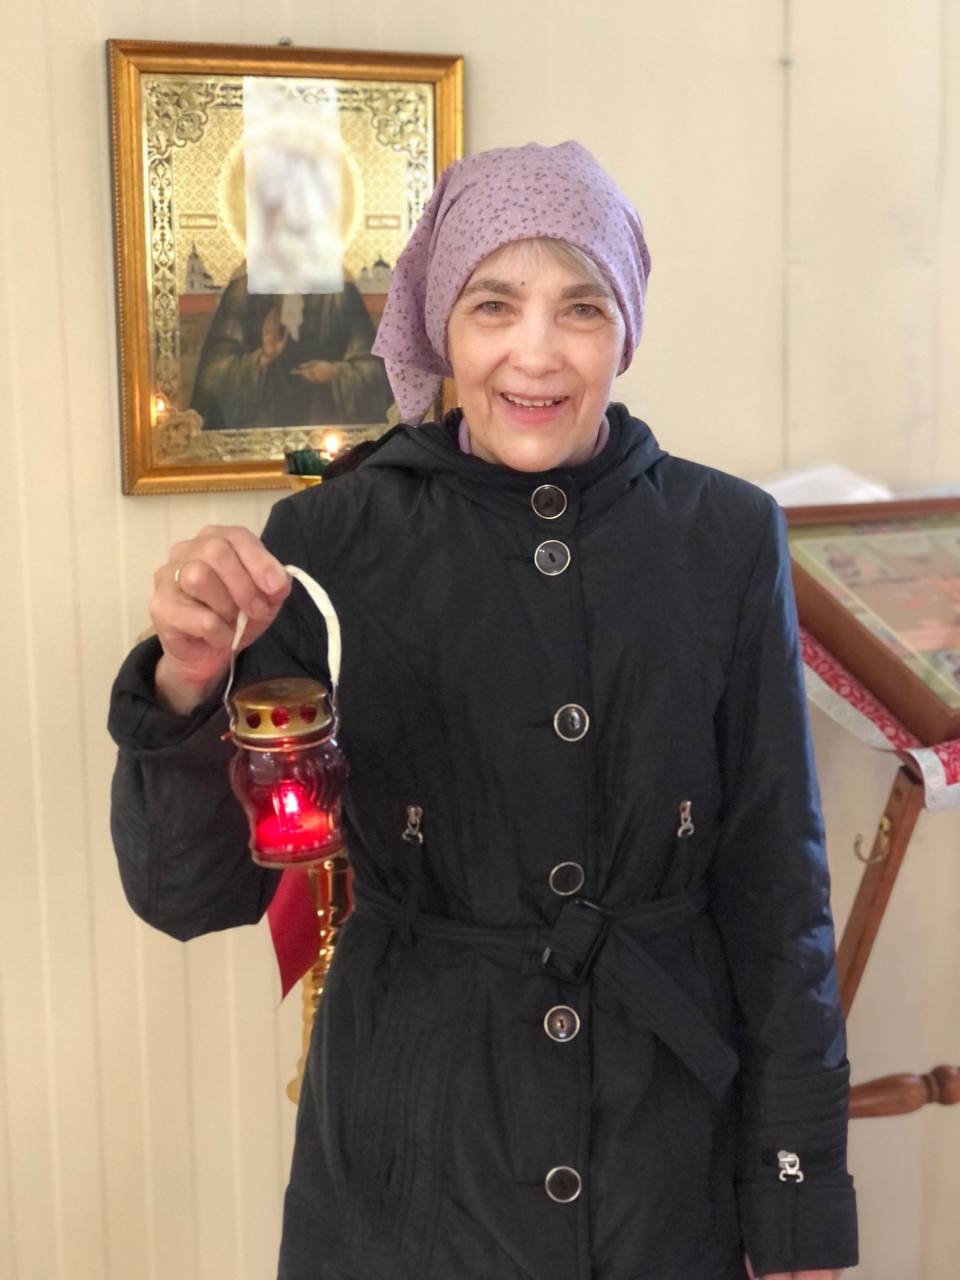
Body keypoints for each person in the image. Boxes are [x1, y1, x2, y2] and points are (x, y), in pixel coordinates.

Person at [109, 142, 858, 1280]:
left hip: (663, 1158)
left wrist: (796, 1192)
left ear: (627, 328)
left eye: (582, 307)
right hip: (413, 1158)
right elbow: (189, 892)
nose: (536, 352)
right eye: (494, 304)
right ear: (440, 324)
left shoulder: (724, 537)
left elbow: (777, 890)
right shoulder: (329, 542)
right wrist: (188, 679)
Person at [190, 268, 394, 429]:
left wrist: (336, 372)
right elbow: (213, 375)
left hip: (327, 426)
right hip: (258, 432)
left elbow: (373, 372)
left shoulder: (340, 293)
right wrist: (261, 359)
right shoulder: (243, 291)